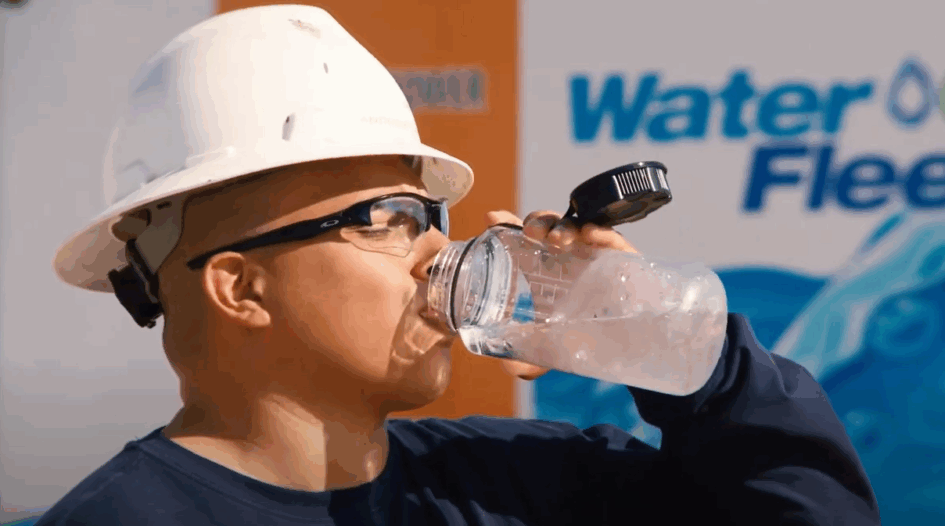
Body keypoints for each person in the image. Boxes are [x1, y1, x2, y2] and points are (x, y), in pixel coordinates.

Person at [38, 4, 881, 525]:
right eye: (391, 221)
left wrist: (683, 356)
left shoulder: (531, 484)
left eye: (431, 217)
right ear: (239, 287)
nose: (441, 249)